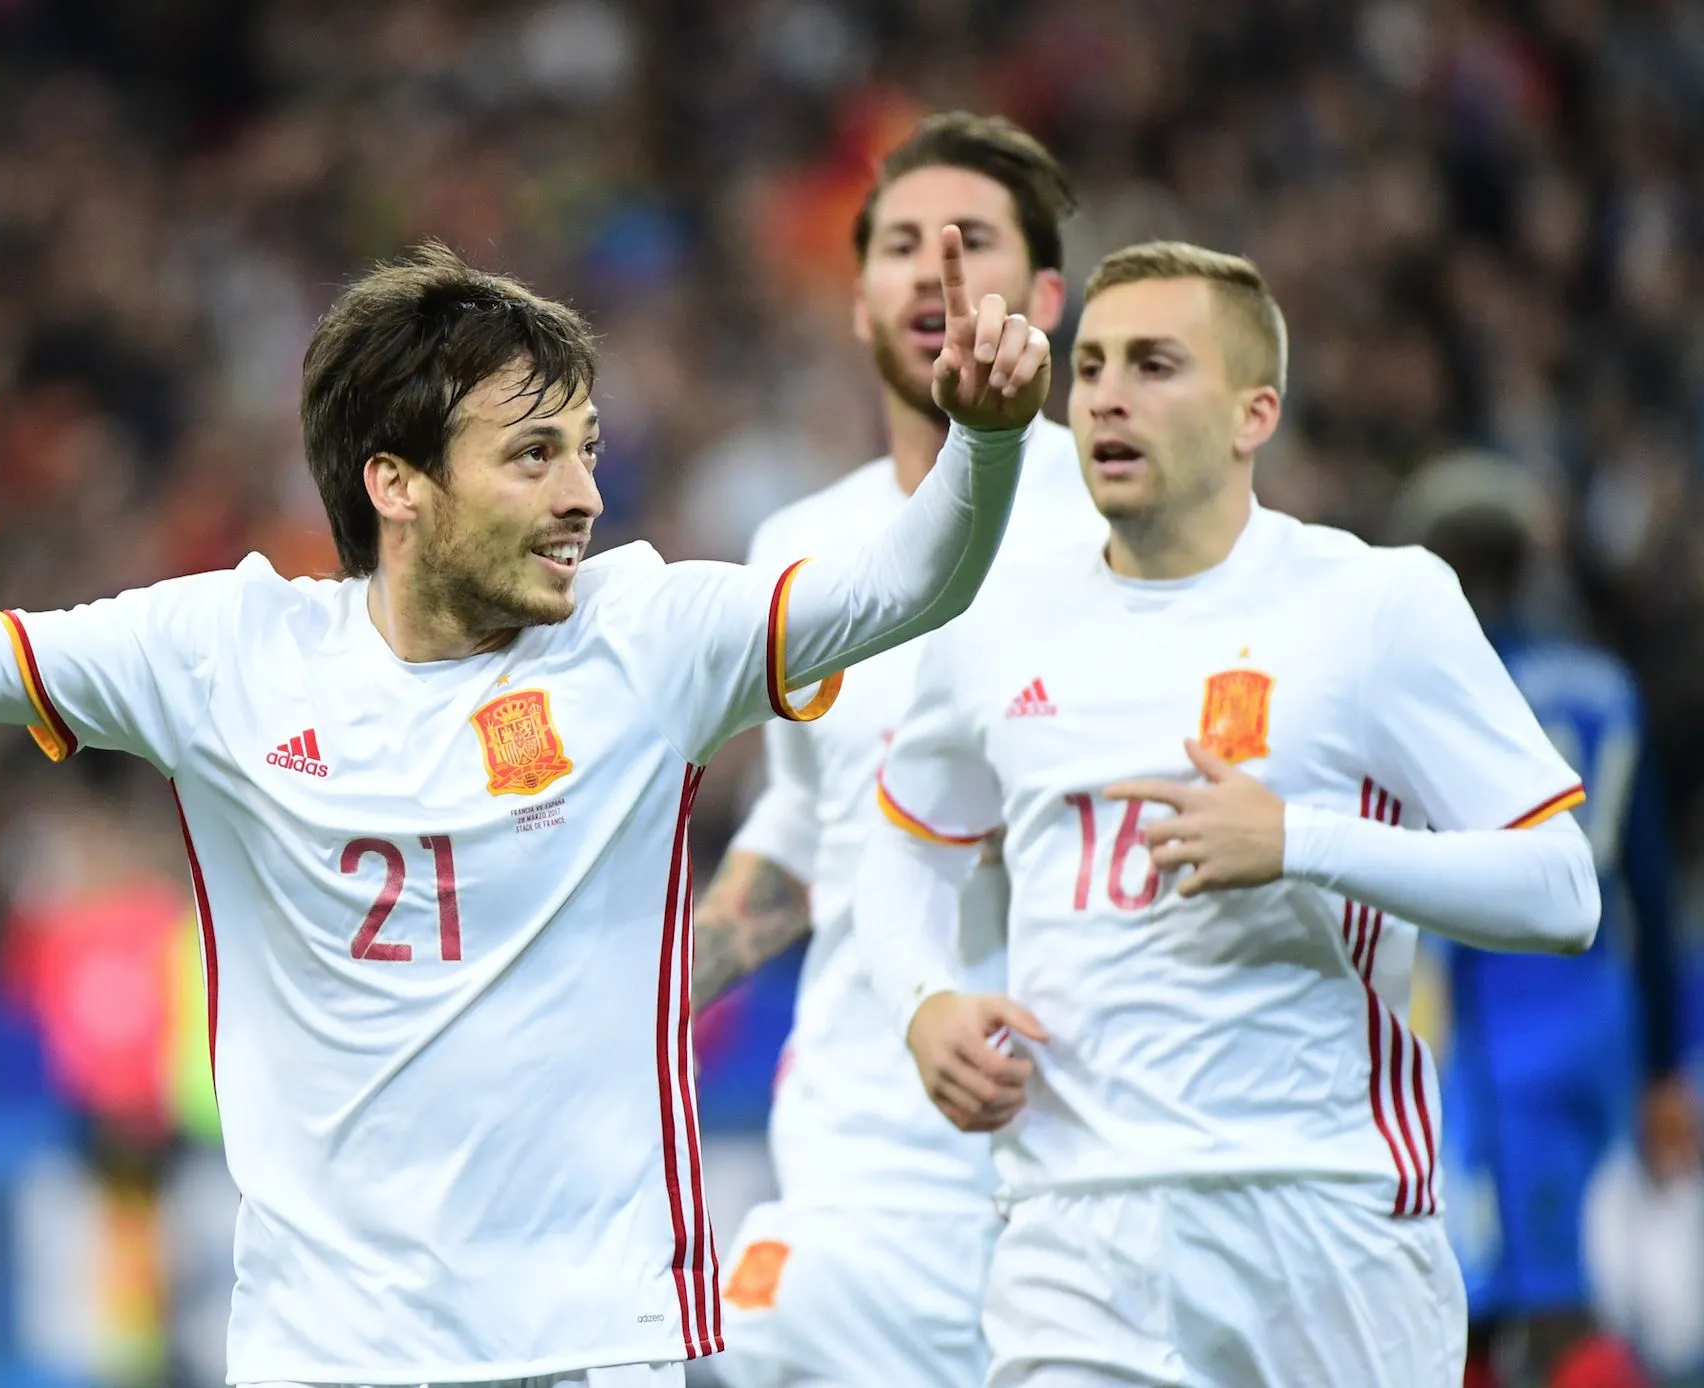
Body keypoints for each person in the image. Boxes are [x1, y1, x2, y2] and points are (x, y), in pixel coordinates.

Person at [0, 239, 1052, 1388]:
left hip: (592, 1331)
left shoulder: (648, 636)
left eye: (587, 447)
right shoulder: (228, 650)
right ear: (397, 483)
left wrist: (986, 442)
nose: (586, 492)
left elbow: (913, 581)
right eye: (534, 455)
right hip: (322, 1348)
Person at [854, 240, 1602, 1388]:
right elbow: (909, 837)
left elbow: (1562, 889)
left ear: (1256, 413)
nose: (1105, 392)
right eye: (1090, 362)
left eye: (1155, 363)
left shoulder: (1374, 605)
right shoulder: (998, 617)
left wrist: (1300, 841)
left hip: (1323, 1223)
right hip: (1075, 1231)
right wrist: (923, 1000)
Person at [689, 111, 1100, 1388]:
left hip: (1079, 1137)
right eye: (904, 246)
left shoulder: (1119, 516)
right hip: (858, 1157)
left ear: (1044, 295)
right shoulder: (799, 548)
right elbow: (812, 826)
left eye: (972, 241)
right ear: (859, 300)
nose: (936, 271)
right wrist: (652, 989)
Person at [1393, 452, 1691, 1388]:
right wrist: (1665, 1067)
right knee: (1549, 1293)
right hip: (1596, 1023)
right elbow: (1654, 893)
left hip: (1483, 1034)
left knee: (1490, 1310)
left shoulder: (1442, 685)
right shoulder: (1605, 687)